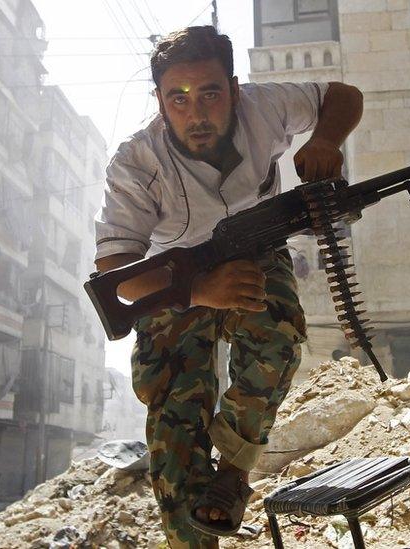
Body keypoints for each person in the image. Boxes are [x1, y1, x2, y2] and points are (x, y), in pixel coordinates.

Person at [93, 26, 363, 548]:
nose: (196, 114)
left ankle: (234, 469)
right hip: (173, 277)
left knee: (277, 335)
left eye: (211, 94)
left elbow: (343, 97)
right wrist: (198, 290)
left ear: (234, 90)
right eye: (179, 99)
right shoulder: (136, 163)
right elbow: (116, 268)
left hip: (254, 250)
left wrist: (325, 138)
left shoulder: (265, 108)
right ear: (160, 102)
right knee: (174, 428)